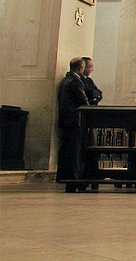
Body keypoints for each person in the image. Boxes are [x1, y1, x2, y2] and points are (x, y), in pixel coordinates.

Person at [57, 57, 89, 192]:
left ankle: (67, 177)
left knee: (68, 150)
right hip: (75, 121)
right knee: (74, 152)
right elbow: (83, 101)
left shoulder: (65, 80)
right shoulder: (76, 81)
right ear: (81, 68)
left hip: (66, 120)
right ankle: (73, 179)